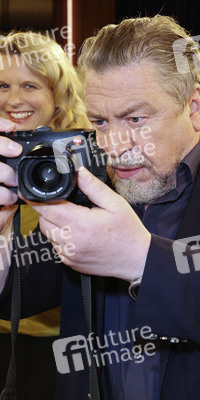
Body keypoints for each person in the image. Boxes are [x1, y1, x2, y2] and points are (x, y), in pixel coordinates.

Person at [0, 15, 200, 400]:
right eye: (100, 121)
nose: (114, 144)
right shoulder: (88, 175)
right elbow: (19, 291)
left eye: (136, 119)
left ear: (193, 105)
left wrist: (141, 260)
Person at [0, 31, 90, 399]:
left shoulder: (79, 160)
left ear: (58, 95)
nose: (13, 99)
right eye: (2, 85)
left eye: (30, 85)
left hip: (55, 349)